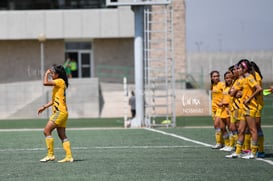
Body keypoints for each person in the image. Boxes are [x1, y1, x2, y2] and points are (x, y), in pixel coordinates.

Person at [38, 64, 74, 163]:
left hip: (60, 112)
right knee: (62, 135)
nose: (51, 74)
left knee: (46, 131)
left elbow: (45, 83)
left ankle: (50, 155)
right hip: (63, 112)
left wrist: (46, 73)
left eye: (52, 73)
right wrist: (44, 107)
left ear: (57, 74)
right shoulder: (60, 83)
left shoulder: (59, 81)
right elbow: (54, 100)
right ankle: (69, 156)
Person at [210, 70, 225, 149]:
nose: (216, 78)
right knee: (218, 126)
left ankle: (220, 143)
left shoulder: (222, 84)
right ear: (211, 78)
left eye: (217, 76)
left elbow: (226, 94)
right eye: (214, 76)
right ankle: (221, 143)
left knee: (217, 124)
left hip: (221, 107)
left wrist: (223, 102)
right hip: (214, 108)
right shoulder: (212, 85)